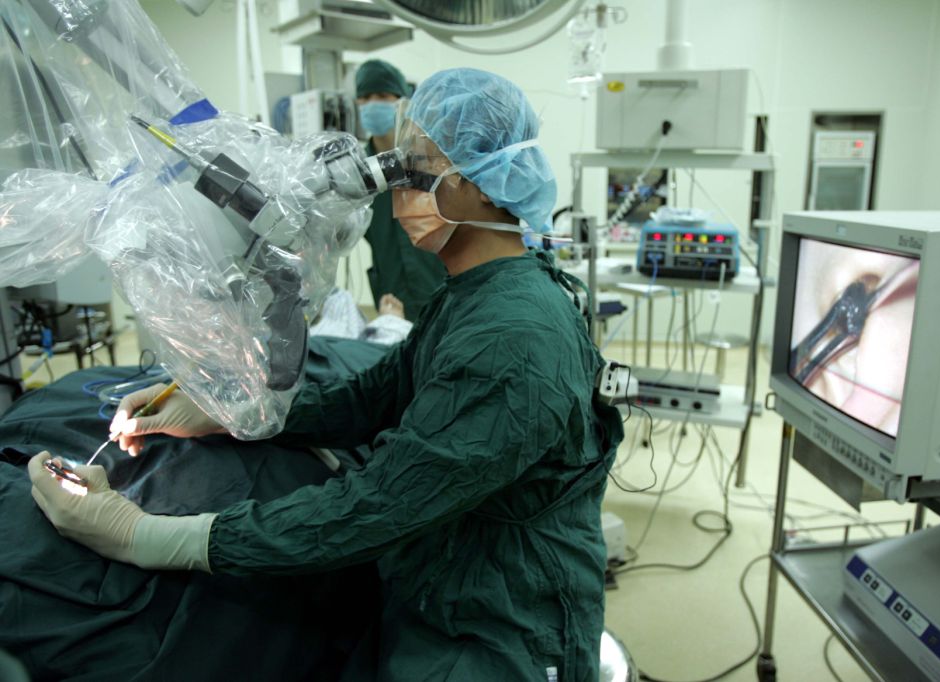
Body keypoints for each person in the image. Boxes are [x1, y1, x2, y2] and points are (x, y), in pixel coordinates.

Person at [29, 68, 623, 681]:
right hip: (445, 573)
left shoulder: (513, 339)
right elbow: (373, 398)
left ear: (486, 182)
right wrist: (228, 415)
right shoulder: (473, 293)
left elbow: (376, 505)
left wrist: (143, 536)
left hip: (505, 627)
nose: (399, 195)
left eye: (416, 173)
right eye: (395, 170)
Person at [356, 59, 447, 323]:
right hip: (391, 294)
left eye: (382, 96)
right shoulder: (357, 171)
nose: (372, 103)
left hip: (437, 286)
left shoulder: (427, 157)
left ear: (401, 101)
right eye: (365, 97)